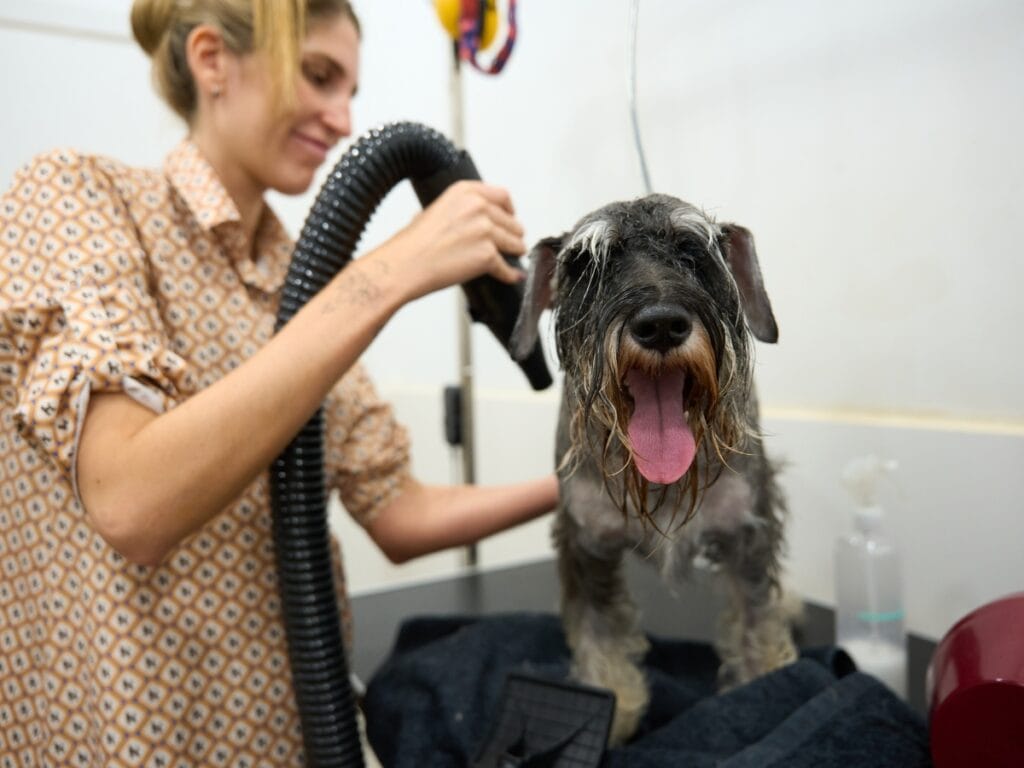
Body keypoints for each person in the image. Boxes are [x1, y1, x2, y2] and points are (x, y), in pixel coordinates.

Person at [0, 0, 558, 765]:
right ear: (211, 60)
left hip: (289, 737)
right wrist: (395, 268)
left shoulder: (296, 280)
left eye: (353, 92)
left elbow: (397, 511)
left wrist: (583, 482)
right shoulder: (75, 198)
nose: (343, 118)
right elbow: (129, 500)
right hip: (132, 743)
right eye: (320, 77)